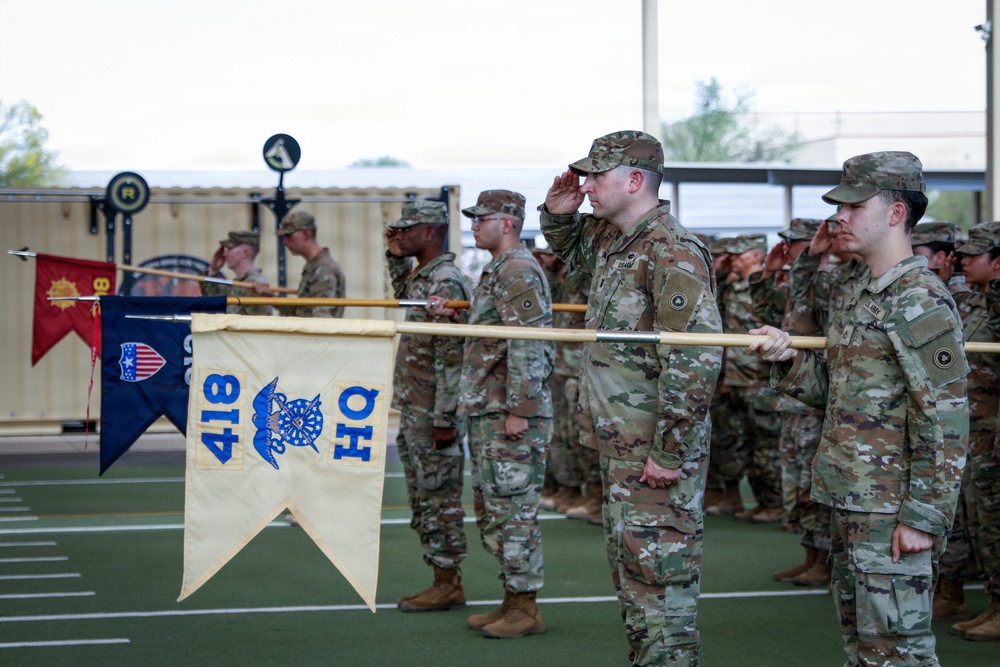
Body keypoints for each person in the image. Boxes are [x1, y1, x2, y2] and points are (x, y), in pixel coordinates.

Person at [749, 151, 969, 666]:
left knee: (899, 651)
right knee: (867, 648)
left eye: (853, 205)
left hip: (892, 510)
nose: (838, 217)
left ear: (896, 213)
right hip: (853, 499)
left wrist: (923, 516)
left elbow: (945, 416)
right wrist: (789, 358)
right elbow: (843, 394)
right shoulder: (864, 293)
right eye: (838, 205)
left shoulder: (918, 300)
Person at [541, 130, 723, 666]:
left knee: (661, 587)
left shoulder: (672, 250)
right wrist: (556, 214)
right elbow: (572, 253)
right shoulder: (613, 239)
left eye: (597, 175)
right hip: (625, 447)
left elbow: (693, 361)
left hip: (654, 453)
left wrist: (668, 453)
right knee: (636, 582)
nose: (587, 185)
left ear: (635, 180)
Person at [426, 189, 554, 639]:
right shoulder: (498, 269)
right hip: (490, 409)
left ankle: (525, 607)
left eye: (483, 218)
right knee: (495, 509)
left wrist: (521, 410)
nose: (475, 225)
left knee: (514, 512)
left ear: (509, 223)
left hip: (508, 413)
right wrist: (452, 321)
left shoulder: (518, 268)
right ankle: (512, 600)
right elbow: (491, 340)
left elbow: (528, 343)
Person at [384, 200, 471, 613]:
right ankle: (441, 577)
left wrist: (444, 418)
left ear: (431, 231)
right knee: (423, 497)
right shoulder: (424, 275)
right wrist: (393, 254)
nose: (400, 235)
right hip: (417, 407)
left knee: (440, 497)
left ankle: (448, 581)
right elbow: (403, 298)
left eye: (408, 230)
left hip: (434, 411)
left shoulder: (446, 281)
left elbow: (451, 354)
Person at [947, 221, 1000, 640]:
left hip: (993, 431)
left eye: (974, 254)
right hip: (976, 432)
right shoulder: (981, 303)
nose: (962, 259)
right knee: (983, 521)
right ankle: (995, 602)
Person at [719, 234, 787, 525]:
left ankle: (775, 502)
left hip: (761, 379)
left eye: (739, 253)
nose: (733, 258)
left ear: (757, 256)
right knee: (743, 444)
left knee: (767, 448)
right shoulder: (733, 287)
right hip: (737, 377)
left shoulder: (766, 288)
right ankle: (761, 500)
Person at [253, 209, 346, 317]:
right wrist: (270, 296)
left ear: (306, 234)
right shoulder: (315, 266)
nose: (285, 242)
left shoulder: (323, 268)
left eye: (289, 236)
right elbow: (302, 312)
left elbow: (321, 318)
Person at [201, 230, 274, 315]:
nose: (224, 254)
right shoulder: (241, 283)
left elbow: (258, 323)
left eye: (229, 248)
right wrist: (213, 270)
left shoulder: (254, 285)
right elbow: (213, 300)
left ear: (245, 253)